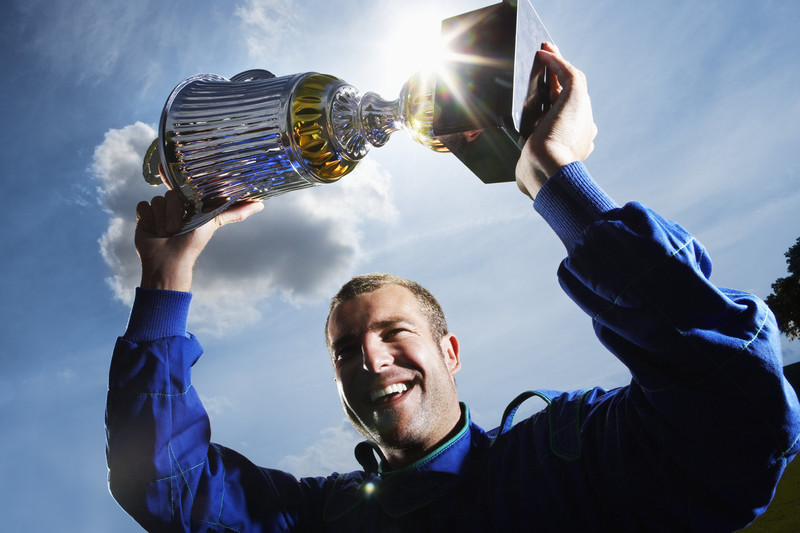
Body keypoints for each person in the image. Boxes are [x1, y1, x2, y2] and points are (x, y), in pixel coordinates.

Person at [106, 43, 800, 532]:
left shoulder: (564, 455)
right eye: (345, 350)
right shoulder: (322, 517)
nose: (371, 358)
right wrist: (166, 277)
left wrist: (557, 179)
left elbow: (739, 408)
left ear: (451, 350)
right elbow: (164, 485)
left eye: (394, 332)